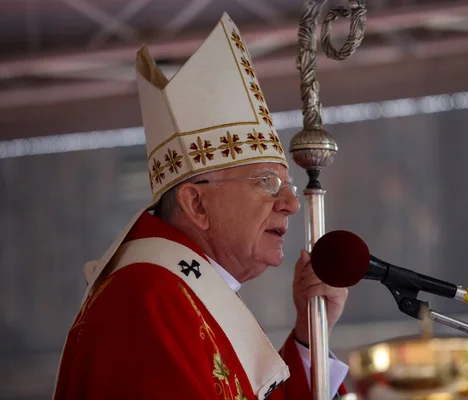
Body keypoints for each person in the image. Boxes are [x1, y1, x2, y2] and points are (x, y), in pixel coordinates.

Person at [54, 12, 349, 400]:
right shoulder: (148, 298)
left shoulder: (186, 293)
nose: (292, 203)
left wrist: (311, 335)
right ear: (196, 203)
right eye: (267, 183)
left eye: (288, 185)